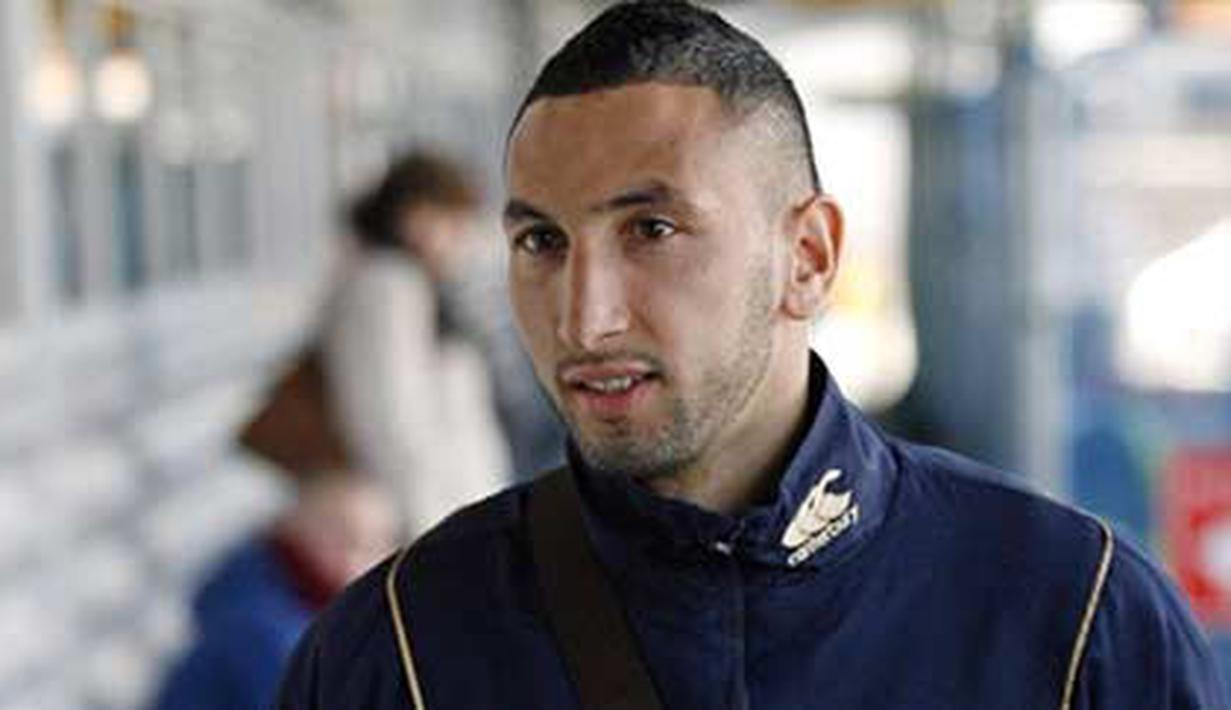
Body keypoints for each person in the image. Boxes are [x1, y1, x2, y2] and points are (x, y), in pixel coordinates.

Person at [277, 2, 1227, 708]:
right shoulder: (395, 651)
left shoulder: (1072, 620)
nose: (583, 317)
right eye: (541, 242)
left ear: (807, 258)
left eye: (650, 229)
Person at [324, 151, 512, 538]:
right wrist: (435, 537)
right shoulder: (387, 288)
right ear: (417, 218)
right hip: (435, 522)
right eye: (455, 224)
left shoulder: (413, 286)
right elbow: (396, 425)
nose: (463, 243)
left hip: (453, 515)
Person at [149, 470, 395, 710]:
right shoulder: (263, 622)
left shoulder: (299, 617)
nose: (351, 556)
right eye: (338, 530)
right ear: (298, 522)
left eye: (371, 547)